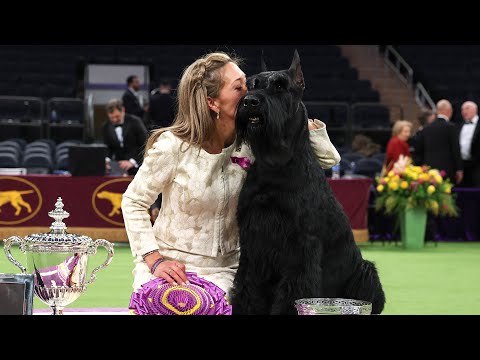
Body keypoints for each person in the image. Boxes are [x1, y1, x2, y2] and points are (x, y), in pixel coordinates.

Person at [121, 52, 341, 295]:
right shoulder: (172, 145)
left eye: (248, 84)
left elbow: (327, 160)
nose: (250, 92)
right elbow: (133, 201)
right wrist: (155, 260)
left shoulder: (255, 140)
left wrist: (303, 123)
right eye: (239, 87)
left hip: (230, 271)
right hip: (170, 267)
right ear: (212, 102)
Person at [415, 99, 463, 185]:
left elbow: (419, 149)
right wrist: (459, 169)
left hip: (429, 170)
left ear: (437, 111)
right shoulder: (451, 127)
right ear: (449, 111)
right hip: (447, 170)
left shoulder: (426, 128)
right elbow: (455, 149)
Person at [102, 98, 148, 176]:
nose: (114, 120)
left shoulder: (135, 122)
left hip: (138, 166)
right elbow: (108, 148)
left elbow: (145, 145)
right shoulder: (106, 126)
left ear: (123, 110)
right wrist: (106, 161)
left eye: (117, 116)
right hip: (118, 168)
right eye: (111, 118)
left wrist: (132, 162)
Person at [459, 101, 480, 187]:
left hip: (477, 165)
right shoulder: (460, 125)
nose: (464, 111)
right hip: (463, 165)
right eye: (462, 109)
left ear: (475, 109)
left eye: (467, 108)